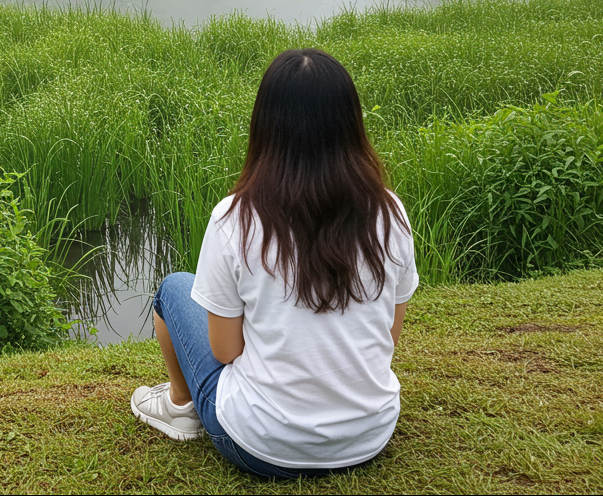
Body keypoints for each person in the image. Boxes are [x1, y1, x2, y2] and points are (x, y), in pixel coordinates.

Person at [130, 48, 417, 478]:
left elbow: (226, 351)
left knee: (173, 287)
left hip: (260, 445)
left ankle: (178, 405)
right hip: (368, 435)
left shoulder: (235, 218)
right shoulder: (389, 212)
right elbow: (388, 335)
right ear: (351, 125)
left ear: (265, 127)